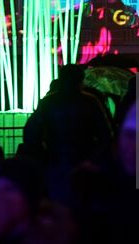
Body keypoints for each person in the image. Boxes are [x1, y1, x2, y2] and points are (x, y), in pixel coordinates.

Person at [21, 64, 111, 203]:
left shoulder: (49, 102)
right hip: (84, 158)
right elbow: (105, 134)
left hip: (55, 159)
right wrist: (95, 158)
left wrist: (41, 154)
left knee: (58, 202)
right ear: (81, 80)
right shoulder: (90, 101)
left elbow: (31, 132)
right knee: (84, 203)